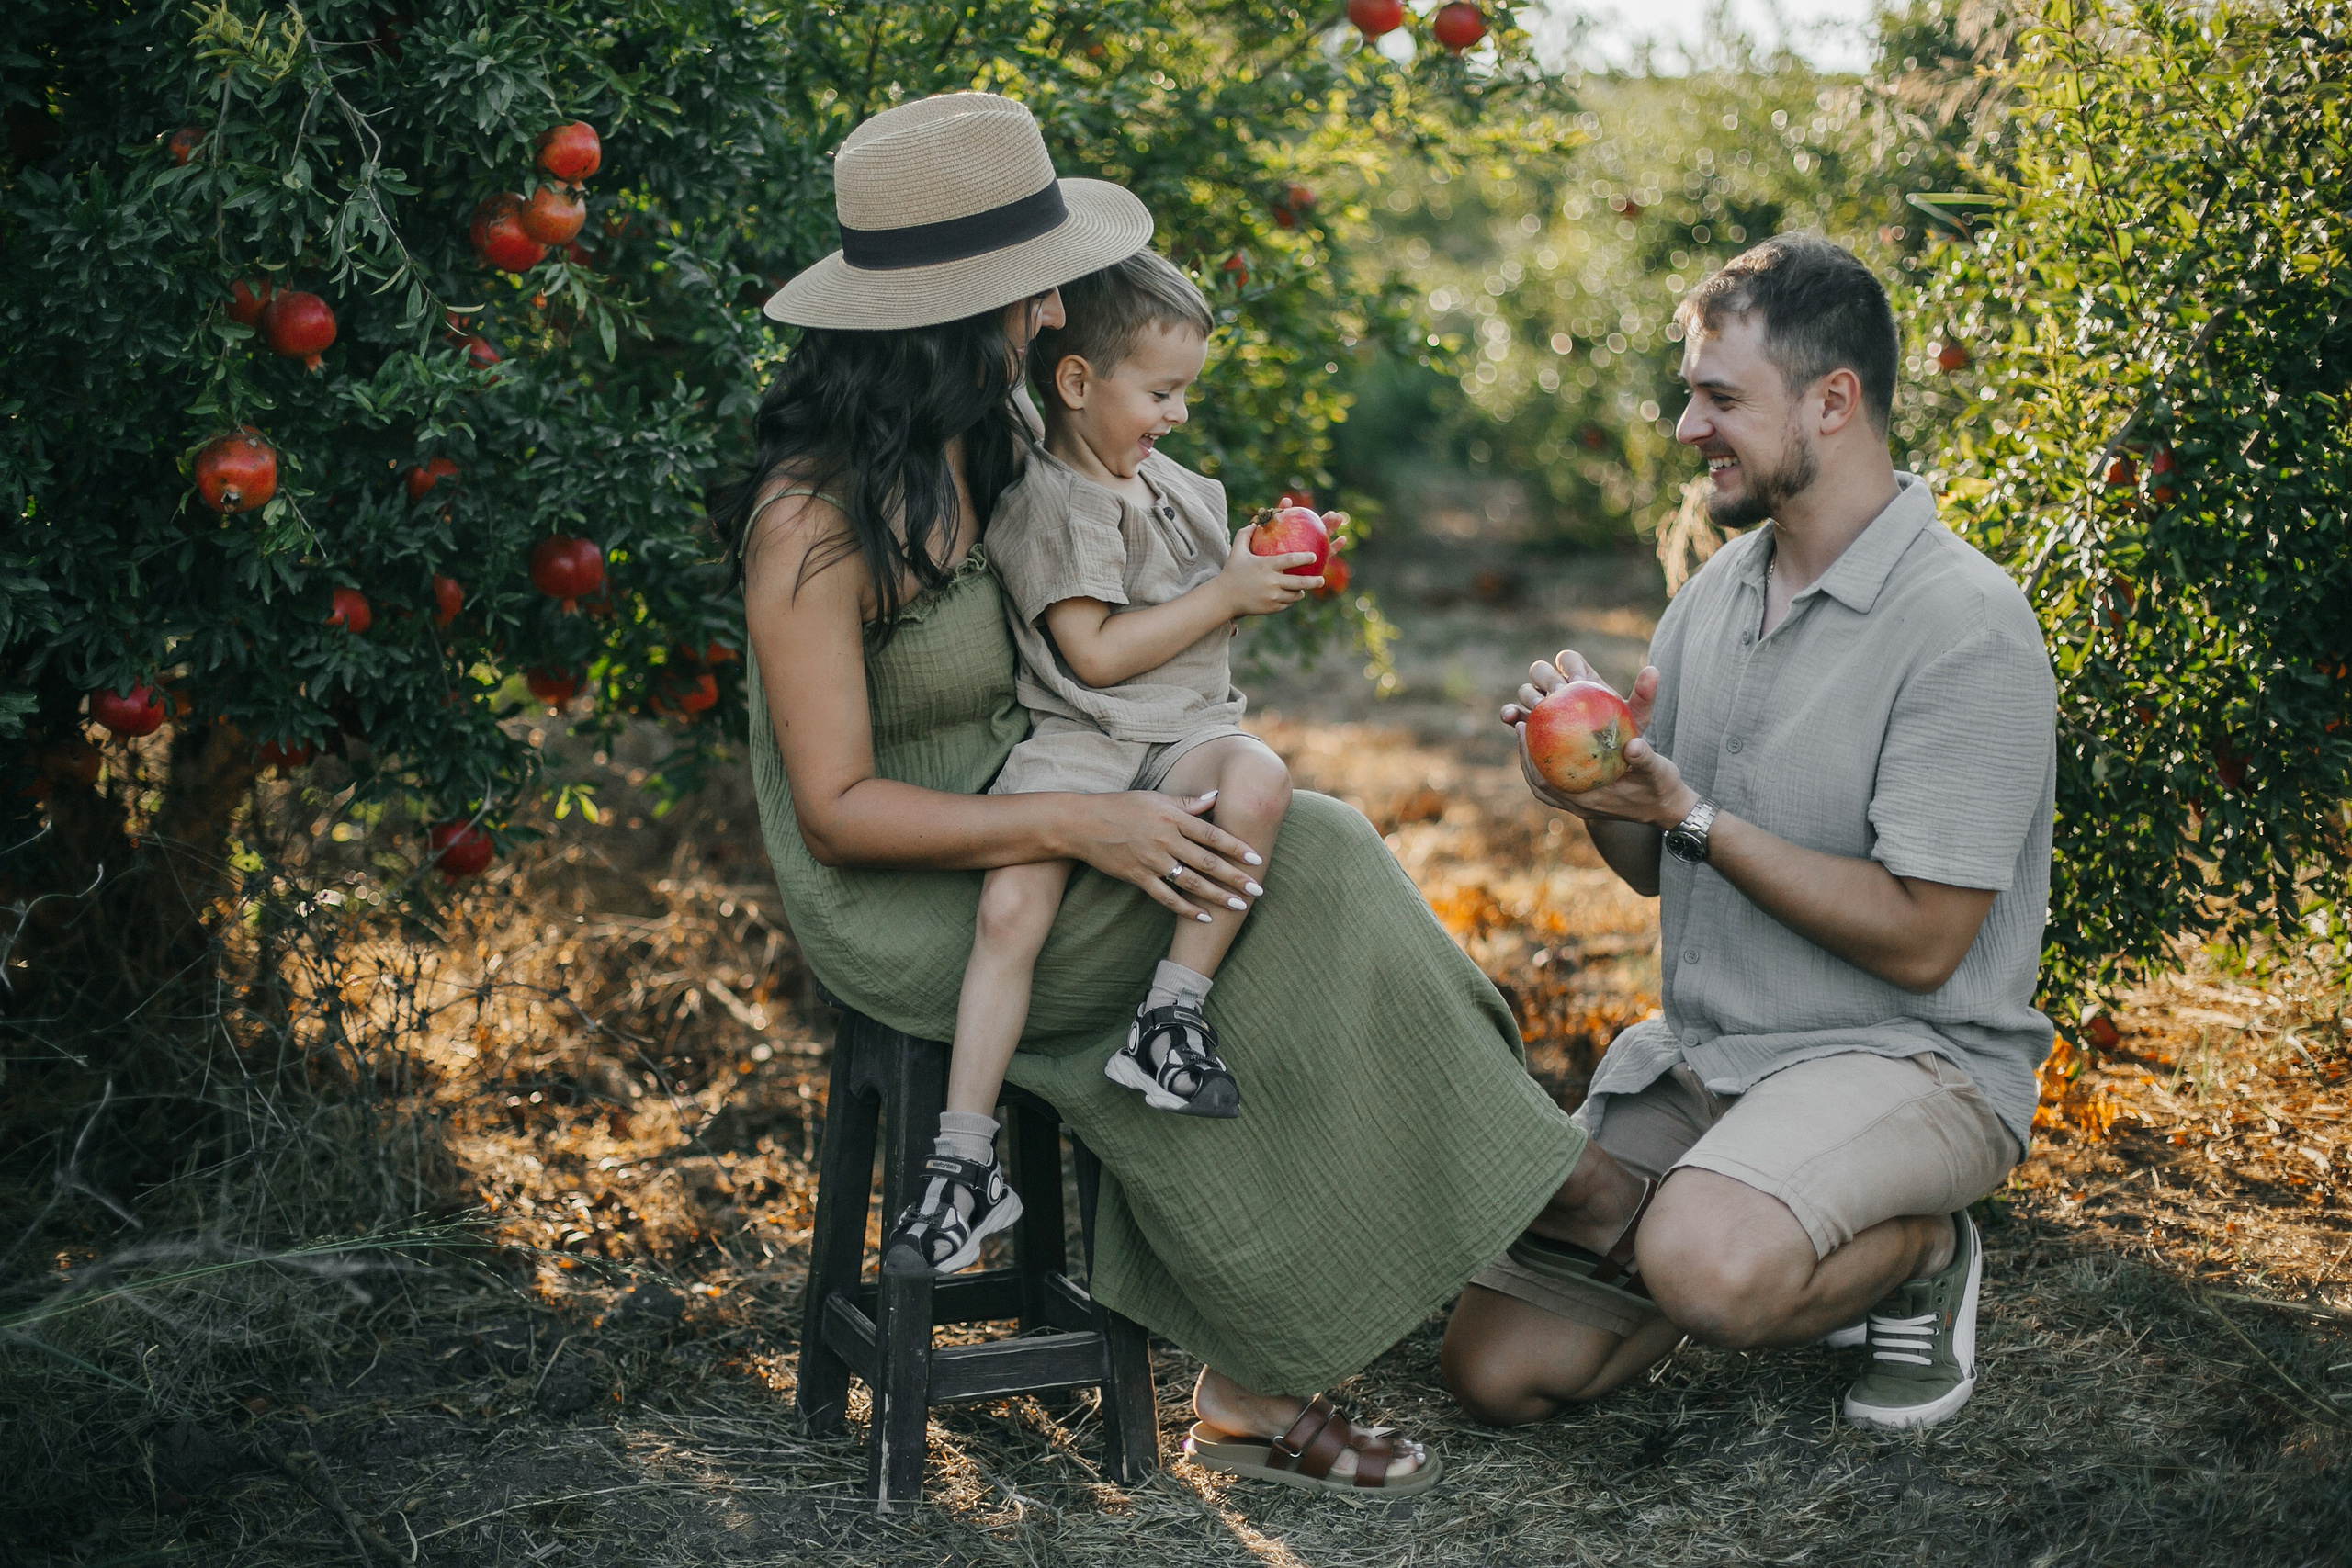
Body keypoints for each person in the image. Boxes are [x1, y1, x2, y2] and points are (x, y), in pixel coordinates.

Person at [716, 90, 1588, 1494]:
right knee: (1305, 877)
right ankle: (1435, 1262)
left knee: (1302, 850)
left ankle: (1274, 1348)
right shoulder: (812, 520)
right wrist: (1083, 819)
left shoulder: (993, 442)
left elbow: (1117, 573)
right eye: (1030, 285)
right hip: (907, 887)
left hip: (1037, 817)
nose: (1057, 302)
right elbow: (837, 810)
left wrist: (1235, 557)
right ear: (964, 311)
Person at [1441, 233, 2056, 1434]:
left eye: (1720, 396)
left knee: (1710, 1264)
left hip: (1910, 1059)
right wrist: (1598, 801)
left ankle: (1921, 1251)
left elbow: (1927, 940)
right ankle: (1704, 1222)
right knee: (1498, 1366)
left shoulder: (1965, 625)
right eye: (1690, 392)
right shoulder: (1713, 594)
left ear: (1834, 401)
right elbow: (1664, 864)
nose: (1686, 427)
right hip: (1719, 1054)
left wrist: (1695, 816)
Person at [876, 252, 1323, 1277]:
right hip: (1077, 740)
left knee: (1259, 781)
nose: (1175, 416)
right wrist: (1224, 598)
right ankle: (962, 1164)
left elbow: (1210, 574)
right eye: (1160, 393)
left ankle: (1169, 1016)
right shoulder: (1049, 502)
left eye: (1184, 393)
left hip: (1181, 732)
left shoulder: (1168, 481)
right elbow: (1095, 652)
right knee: (1007, 916)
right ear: (1076, 383)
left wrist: (1279, 552)